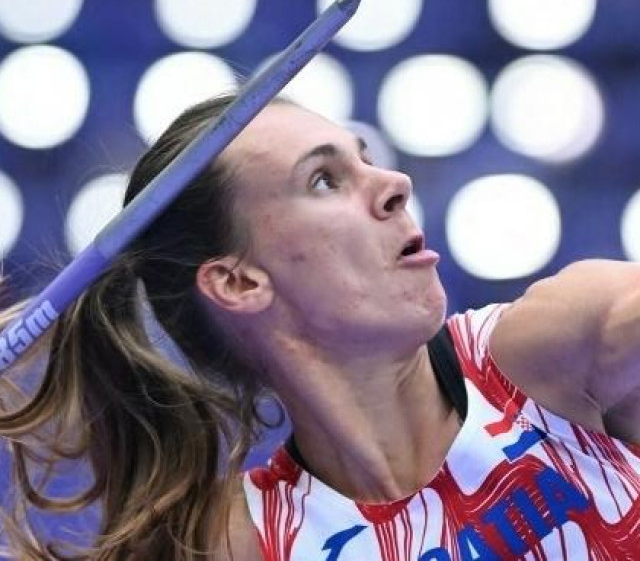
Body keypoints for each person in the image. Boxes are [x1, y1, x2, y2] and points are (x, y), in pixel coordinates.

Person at [1, 93, 639, 561]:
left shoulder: (550, 354)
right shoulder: (240, 543)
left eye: (367, 160)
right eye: (325, 180)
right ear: (240, 282)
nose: (395, 183)